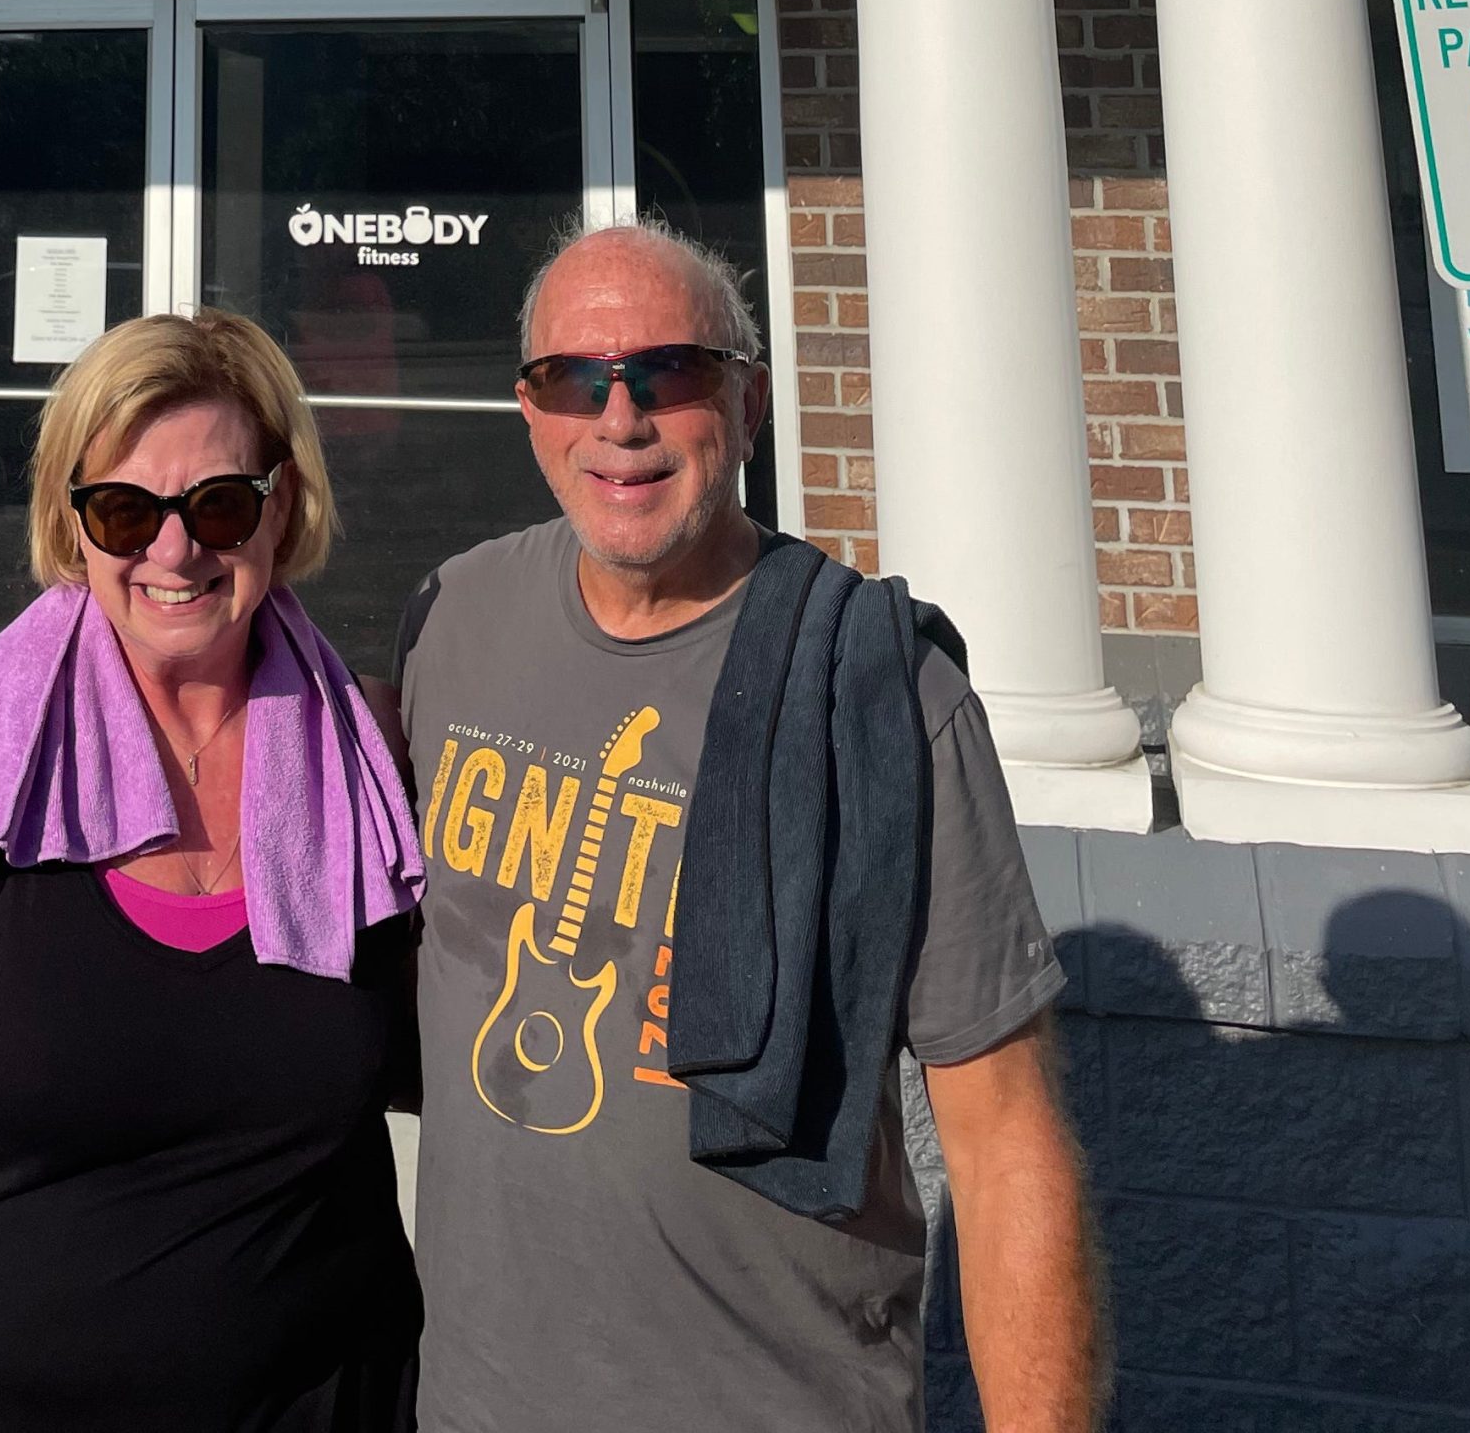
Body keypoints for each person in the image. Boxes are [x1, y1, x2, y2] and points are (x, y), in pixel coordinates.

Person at [395, 219, 1104, 1432]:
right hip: (474, 1403)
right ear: (529, 414)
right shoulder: (453, 620)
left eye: (666, 373)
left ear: (749, 402)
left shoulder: (873, 687)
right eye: (572, 379)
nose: (618, 419)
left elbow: (1003, 1145)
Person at [0, 308, 427, 1433]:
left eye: (219, 504)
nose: (173, 551)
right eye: (123, 509)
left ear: (285, 507)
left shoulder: (365, 757)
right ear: (71, 523)